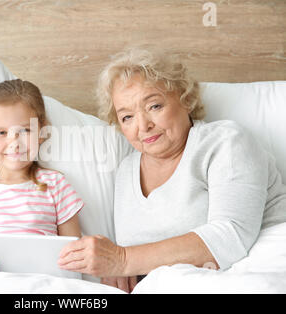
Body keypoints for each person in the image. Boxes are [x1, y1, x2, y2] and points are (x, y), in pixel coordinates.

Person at [57, 47, 286, 292]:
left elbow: (230, 237)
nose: (143, 126)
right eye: (127, 117)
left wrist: (122, 260)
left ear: (186, 99)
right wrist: (118, 268)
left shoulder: (225, 141)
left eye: (154, 106)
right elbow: (136, 260)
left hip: (255, 271)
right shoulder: (126, 171)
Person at [0, 79, 83, 273]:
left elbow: (75, 255)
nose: (14, 143)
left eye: (25, 130)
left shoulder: (56, 185)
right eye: (1, 133)